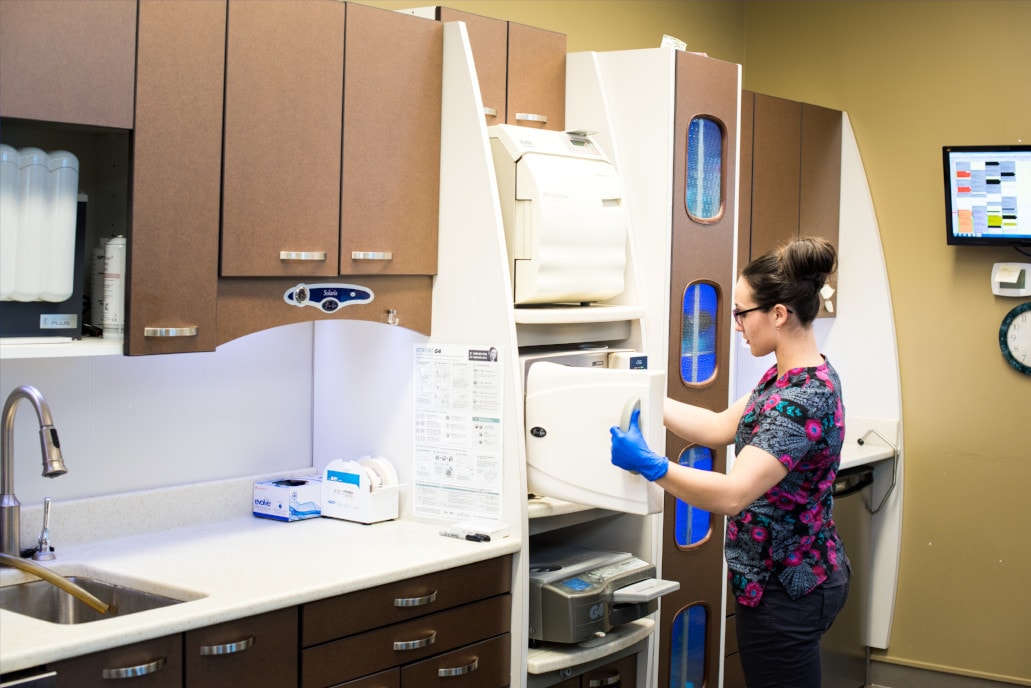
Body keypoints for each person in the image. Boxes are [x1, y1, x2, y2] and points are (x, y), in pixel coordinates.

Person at [610, 236, 849, 688]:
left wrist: (652, 465)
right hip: (795, 577)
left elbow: (733, 495)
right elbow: (719, 425)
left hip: (786, 589)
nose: (736, 325)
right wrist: (636, 395)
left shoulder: (801, 399)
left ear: (778, 314)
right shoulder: (790, 377)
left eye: (742, 313)